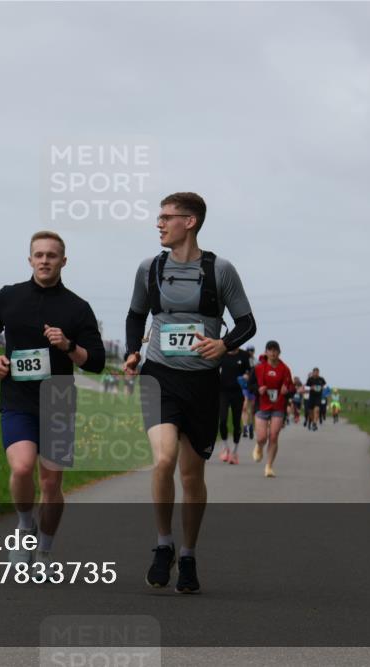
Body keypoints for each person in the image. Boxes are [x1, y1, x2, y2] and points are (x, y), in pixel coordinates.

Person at [124, 192, 256, 594]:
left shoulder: (221, 270)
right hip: (159, 375)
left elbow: (247, 324)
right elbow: (135, 314)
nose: (159, 224)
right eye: (159, 217)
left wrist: (225, 345)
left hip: (202, 383)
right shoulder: (150, 268)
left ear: (191, 222)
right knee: (163, 459)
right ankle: (163, 545)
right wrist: (132, 352)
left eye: (167, 217)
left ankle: (188, 554)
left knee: (191, 474)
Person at [0, 231, 106, 570]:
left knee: (50, 483)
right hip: (17, 396)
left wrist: (67, 346)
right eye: (39, 254)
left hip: (59, 401)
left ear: (63, 261)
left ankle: (45, 552)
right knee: (21, 467)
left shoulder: (77, 308)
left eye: (52, 255)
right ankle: (24, 527)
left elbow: (95, 362)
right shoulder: (10, 296)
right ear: (30, 259)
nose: (45, 260)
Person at [251, 340, 294, 477]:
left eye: (275, 350)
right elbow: (249, 385)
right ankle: (259, 446)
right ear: (266, 352)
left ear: (279, 352)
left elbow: (292, 388)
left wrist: (287, 390)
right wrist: (258, 389)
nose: (273, 353)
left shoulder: (285, 369)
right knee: (262, 437)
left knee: (274, 436)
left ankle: (269, 466)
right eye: (270, 350)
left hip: (278, 406)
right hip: (262, 405)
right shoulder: (258, 368)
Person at [218, 345, 251, 464]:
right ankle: (225, 447)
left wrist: (247, 376)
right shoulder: (222, 353)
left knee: (237, 423)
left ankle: (235, 452)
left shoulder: (244, 355)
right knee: (222, 420)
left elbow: (250, 370)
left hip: (238, 393)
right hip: (223, 392)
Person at [240, 344, 256, 440]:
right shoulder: (242, 360)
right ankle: (245, 427)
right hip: (244, 387)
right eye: (248, 350)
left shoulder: (256, 361)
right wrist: (243, 376)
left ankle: (250, 426)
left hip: (252, 388)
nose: (250, 352)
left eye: (251, 350)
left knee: (250, 410)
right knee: (244, 408)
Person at [306, 367, 327, 431]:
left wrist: (323, 388)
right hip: (311, 397)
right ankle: (313, 422)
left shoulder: (321, 379)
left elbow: (325, 386)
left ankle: (315, 423)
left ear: (318, 373)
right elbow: (306, 387)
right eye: (315, 372)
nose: (316, 373)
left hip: (318, 397)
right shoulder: (310, 379)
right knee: (310, 412)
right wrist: (310, 388)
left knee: (317, 410)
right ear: (313, 372)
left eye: (317, 372)